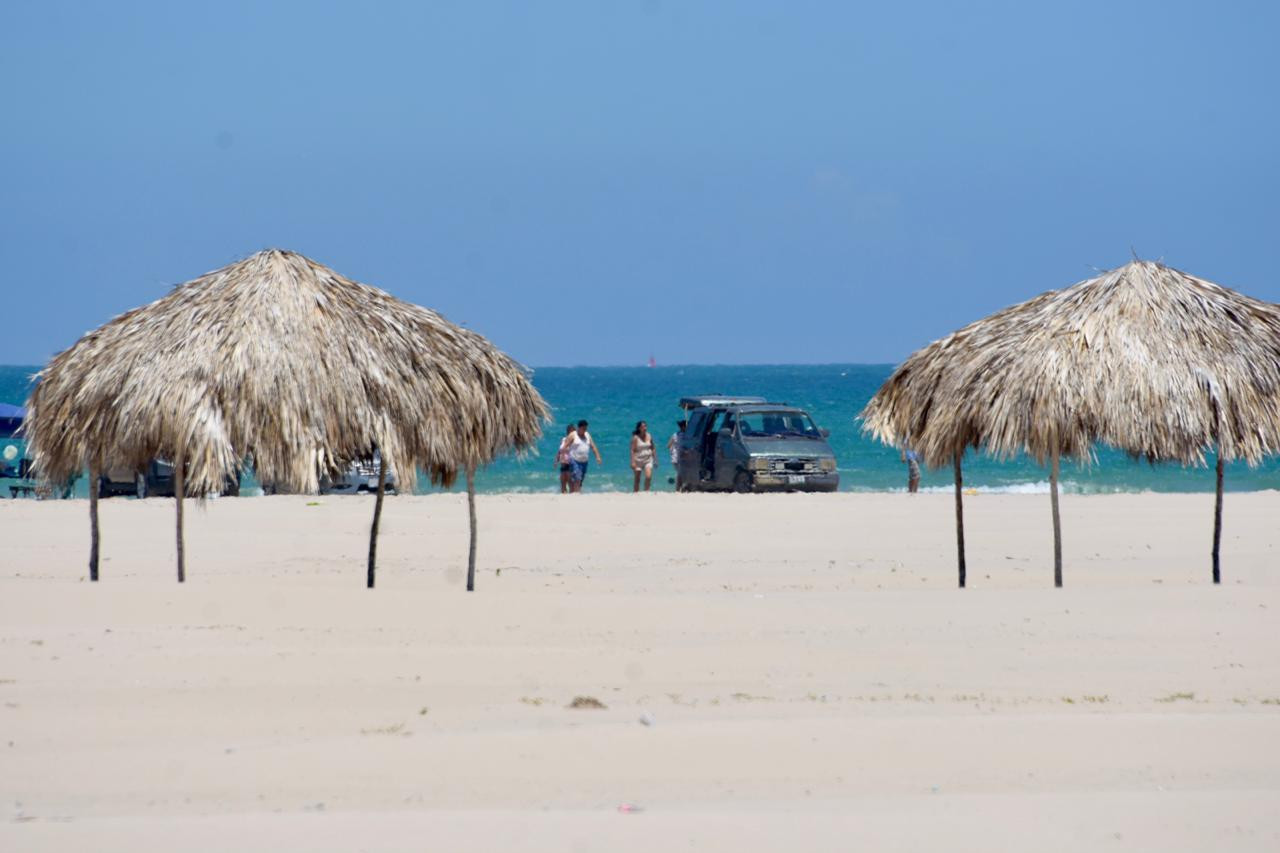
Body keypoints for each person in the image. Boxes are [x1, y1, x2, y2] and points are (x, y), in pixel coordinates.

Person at [568, 419, 602, 493]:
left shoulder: (587, 435)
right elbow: (565, 446)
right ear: (579, 428)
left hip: (584, 461)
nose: (585, 430)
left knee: (581, 479)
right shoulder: (573, 435)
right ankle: (576, 493)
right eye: (583, 429)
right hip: (574, 460)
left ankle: (575, 491)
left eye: (586, 429)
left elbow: (593, 446)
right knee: (577, 477)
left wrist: (598, 457)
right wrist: (564, 458)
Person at [630, 420, 656, 492]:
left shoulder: (649, 435)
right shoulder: (635, 438)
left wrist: (655, 459)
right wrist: (632, 462)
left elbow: (653, 447)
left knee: (648, 477)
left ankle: (646, 491)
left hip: (648, 459)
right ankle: (636, 493)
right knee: (637, 479)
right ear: (639, 428)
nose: (645, 428)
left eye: (645, 426)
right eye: (643, 426)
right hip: (638, 460)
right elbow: (632, 450)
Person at [555, 424, 575, 493]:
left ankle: (572, 495)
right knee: (563, 481)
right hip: (563, 463)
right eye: (570, 432)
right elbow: (559, 451)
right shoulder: (563, 439)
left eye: (572, 432)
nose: (571, 433)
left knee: (570, 481)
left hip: (570, 463)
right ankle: (564, 494)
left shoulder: (574, 441)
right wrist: (556, 460)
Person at [666, 419, 686, 489]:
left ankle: (679, 487)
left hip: (676, 457)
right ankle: (678, 488)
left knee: (680, 473)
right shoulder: (686, 435)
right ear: (683, 427)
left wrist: (672, 450)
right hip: (678, 457)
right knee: (681, 473)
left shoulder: (675, 434)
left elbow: (668, 445)